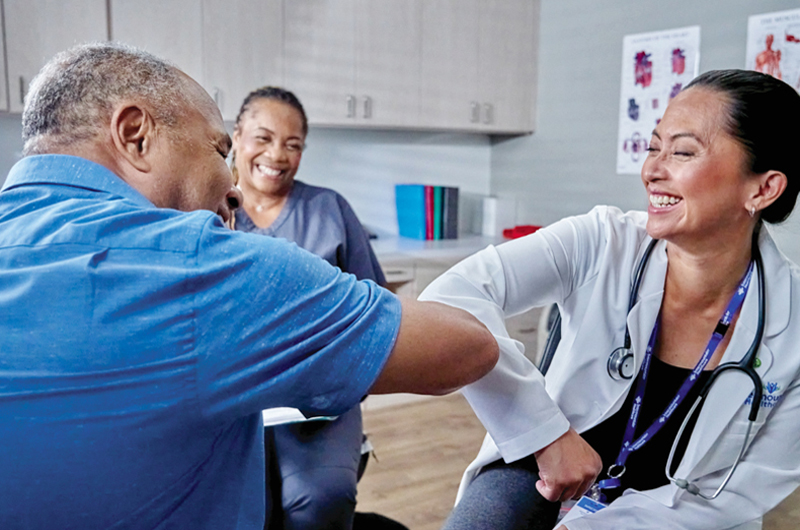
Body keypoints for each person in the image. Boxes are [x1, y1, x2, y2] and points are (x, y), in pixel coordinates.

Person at [0, 42, 499, 530]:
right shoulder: (204, 266)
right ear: (136, 136)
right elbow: (467, 346)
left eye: (293, 143)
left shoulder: (321, 211)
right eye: (222, 151)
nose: (233, 185)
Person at [419, 69, 800, 530]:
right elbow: (449, 296)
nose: (652, 171)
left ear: (763, 188)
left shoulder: (792, 317)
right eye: (653, 147)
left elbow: (743, 491)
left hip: (683, 517)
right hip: (541, 467)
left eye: (681, 152)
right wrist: (545, 432)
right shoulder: (602, 240)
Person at [229, 86, 386, 529]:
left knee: (321, 500)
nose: (277, 155)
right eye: (263, 137)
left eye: (293, 144)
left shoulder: (329, 209)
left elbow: (374, 309)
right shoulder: (207, 208)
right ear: (237, 136)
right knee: (244, 508)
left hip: (320, 396)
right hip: (234, 398)